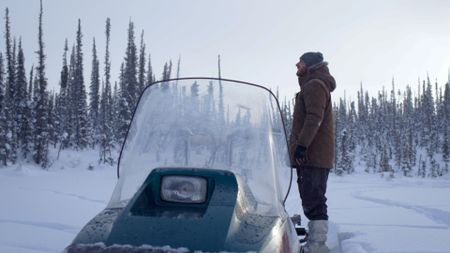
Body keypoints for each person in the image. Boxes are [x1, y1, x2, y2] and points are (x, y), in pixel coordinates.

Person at [289, 52, 336, 253]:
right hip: (311, 156)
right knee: (311, 197)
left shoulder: (315, 85)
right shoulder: (312, 84)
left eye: (300, 62)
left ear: (309, 65)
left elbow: (314, 118)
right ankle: (315, 242)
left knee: (313, 200)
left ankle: (317, 246)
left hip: (312, 156)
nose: (296, 65)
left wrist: (301, 146)